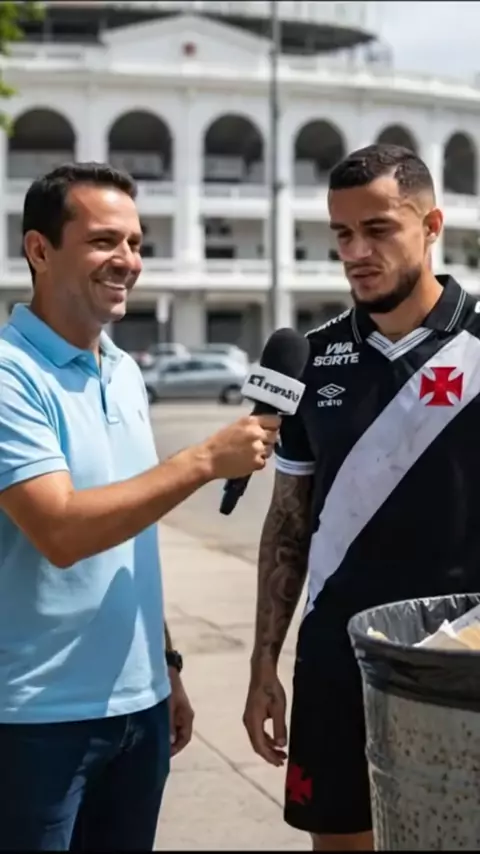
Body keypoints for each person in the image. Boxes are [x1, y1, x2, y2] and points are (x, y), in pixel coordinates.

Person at [0, 162, 280, 852]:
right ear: (39, 250)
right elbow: (61, 530)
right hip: (33, 722)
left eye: (135, 243)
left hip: (139, 711)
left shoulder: (123, 371)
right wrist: (202, 461)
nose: (127, 260)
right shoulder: (10, 375)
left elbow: (128, 528)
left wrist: (165, 664)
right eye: (104, 241)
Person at [243, 142, 480, 851]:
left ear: (431, 226)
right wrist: (264, 663)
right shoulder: (312, 359)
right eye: (342, 234)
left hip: (462, 659)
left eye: (378, 229)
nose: (356, 252)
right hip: (337, 659)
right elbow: (288, 524)